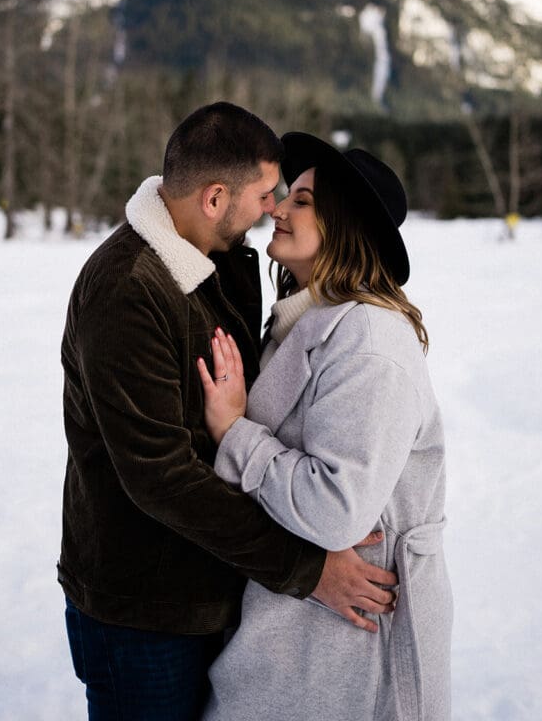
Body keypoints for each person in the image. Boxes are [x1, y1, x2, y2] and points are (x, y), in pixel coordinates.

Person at [58, 105, 398, 721]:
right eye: (269, 194)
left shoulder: (221, 261)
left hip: (209, 590)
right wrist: (307, 568)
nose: (274, 207)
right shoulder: (129, 290)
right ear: (215, 198)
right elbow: (162, 476)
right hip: (146, 611)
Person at [198, 132, 453, 721]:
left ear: (345, 226)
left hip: (354, 645)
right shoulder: (306, 323)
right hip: (299, 637)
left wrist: (235, 433)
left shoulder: (370, 342)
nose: (278, 208)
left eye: (303, 200)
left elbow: (337, 508)